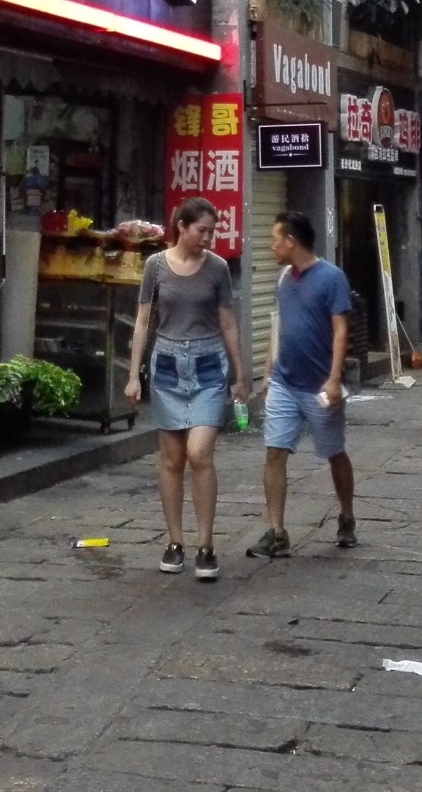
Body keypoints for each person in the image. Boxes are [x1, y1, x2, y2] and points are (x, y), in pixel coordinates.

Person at [124, 196, 251, 580]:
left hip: (208, 364)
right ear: (181, 226)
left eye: (212, 232)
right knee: (171, 459)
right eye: (202, 231)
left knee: (199, 453)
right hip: (166, 366)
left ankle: (206, 543)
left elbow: (227, 321)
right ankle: (175, 541)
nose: (208, 239)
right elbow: (143, 320)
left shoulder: (217, 269)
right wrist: (133, 374)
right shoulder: (155, 266)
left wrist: (240, 372)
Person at [246, 212, 357, 558]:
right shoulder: (283, 278)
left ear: (291, 241)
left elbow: (341, 331)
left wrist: (334, 379)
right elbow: (278, 326)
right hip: (284, 382)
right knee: (275, 451)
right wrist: (268, 370)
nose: (271, 246)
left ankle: (347, 514)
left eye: (275, 239)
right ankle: (276, 531)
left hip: (320, 386)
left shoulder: (331, 278)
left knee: (334, 453)